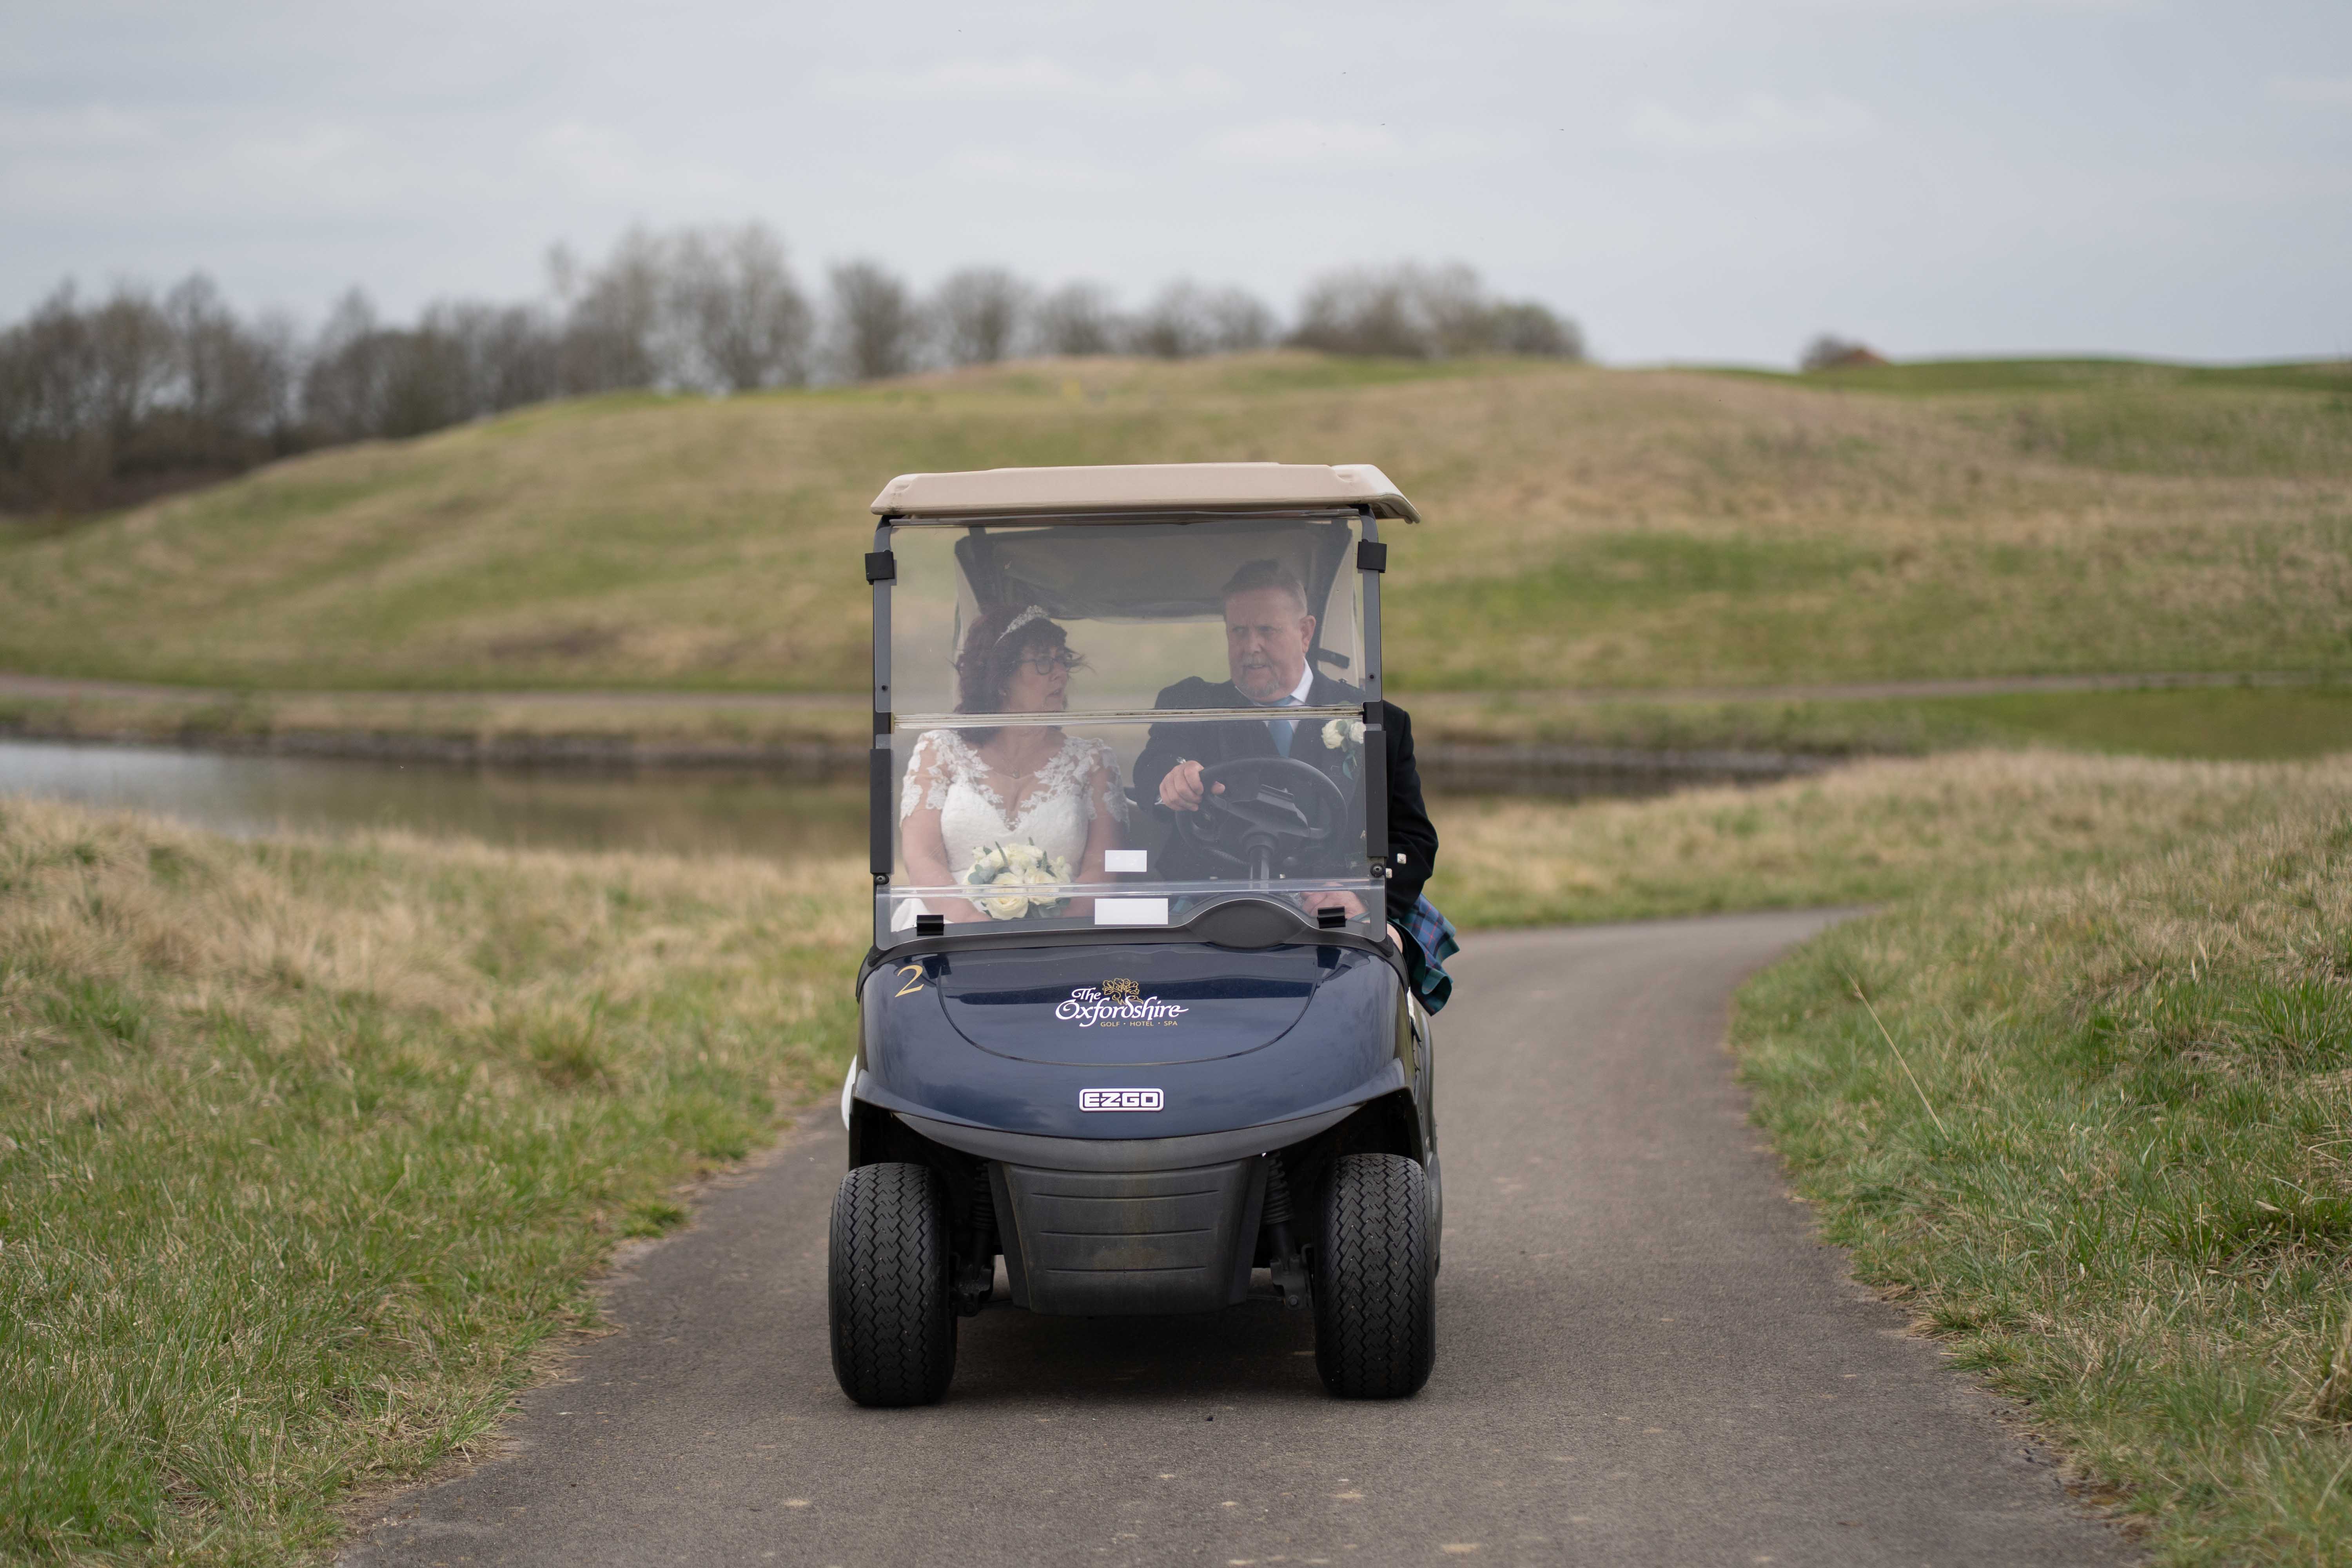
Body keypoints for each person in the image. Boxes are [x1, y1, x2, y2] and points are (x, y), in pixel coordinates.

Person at [1133, 560, 1449, 1000]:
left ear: (1305, 632)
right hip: (1215, 904)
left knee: (1377, 976)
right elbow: (1153, 765)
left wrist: (1360, 897)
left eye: (1267, 630)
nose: (1251, 647)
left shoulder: (1376, 721)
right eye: (1238, 632)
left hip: (1331, 908)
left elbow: (1414, 841)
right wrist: (1173, 775)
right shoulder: (1192, 705)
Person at [898, 604, 1128, 924]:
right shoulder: (939, 750)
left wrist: (1054, 932)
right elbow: (921, 857)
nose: (1061, 672)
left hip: (1063, 931)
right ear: (1000, 676)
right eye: (1044, 662)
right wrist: (972, 925)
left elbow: (1106, 866)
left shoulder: (1092, 761)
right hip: (948, 923)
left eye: (1062, 659)